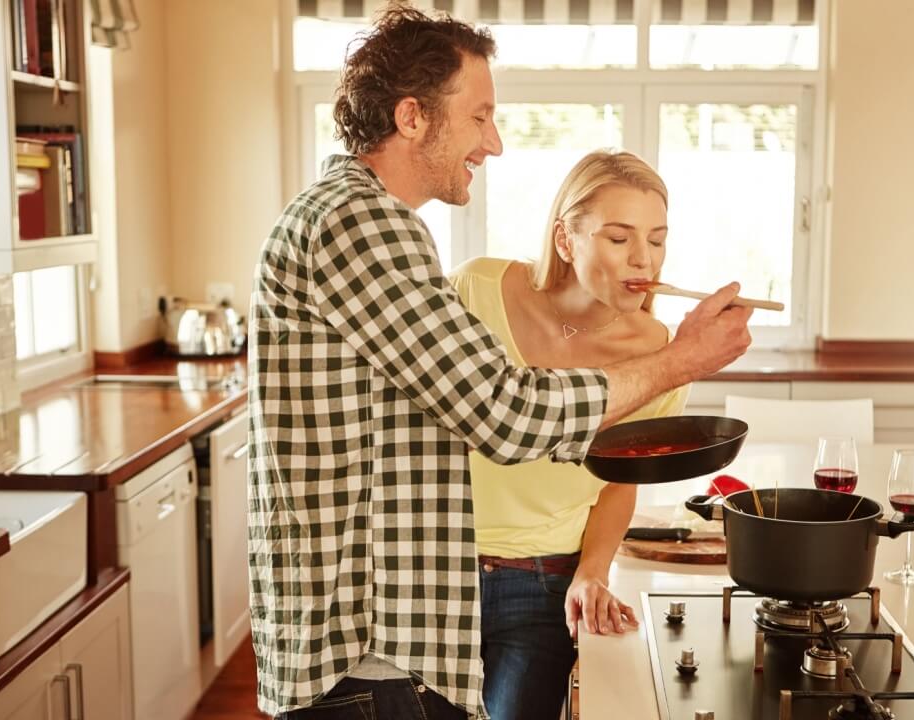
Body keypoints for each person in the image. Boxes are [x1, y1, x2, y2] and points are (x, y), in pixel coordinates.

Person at [246, 7, 754, 720]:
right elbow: (505, 413)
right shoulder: (362, 223)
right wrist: (681, 361)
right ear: (413, 116)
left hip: (386, 630)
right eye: (480, 116)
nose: (496, 142)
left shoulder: (363, 219)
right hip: (361, 638)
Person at [448, 150, 682, 720]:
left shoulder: (659, 351)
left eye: (657, 239)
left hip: (544, 582)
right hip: (438, 566)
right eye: (620, 238)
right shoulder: (476, 288)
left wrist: (591, 572)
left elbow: (620, 481)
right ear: (565, 239)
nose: (643, 259)